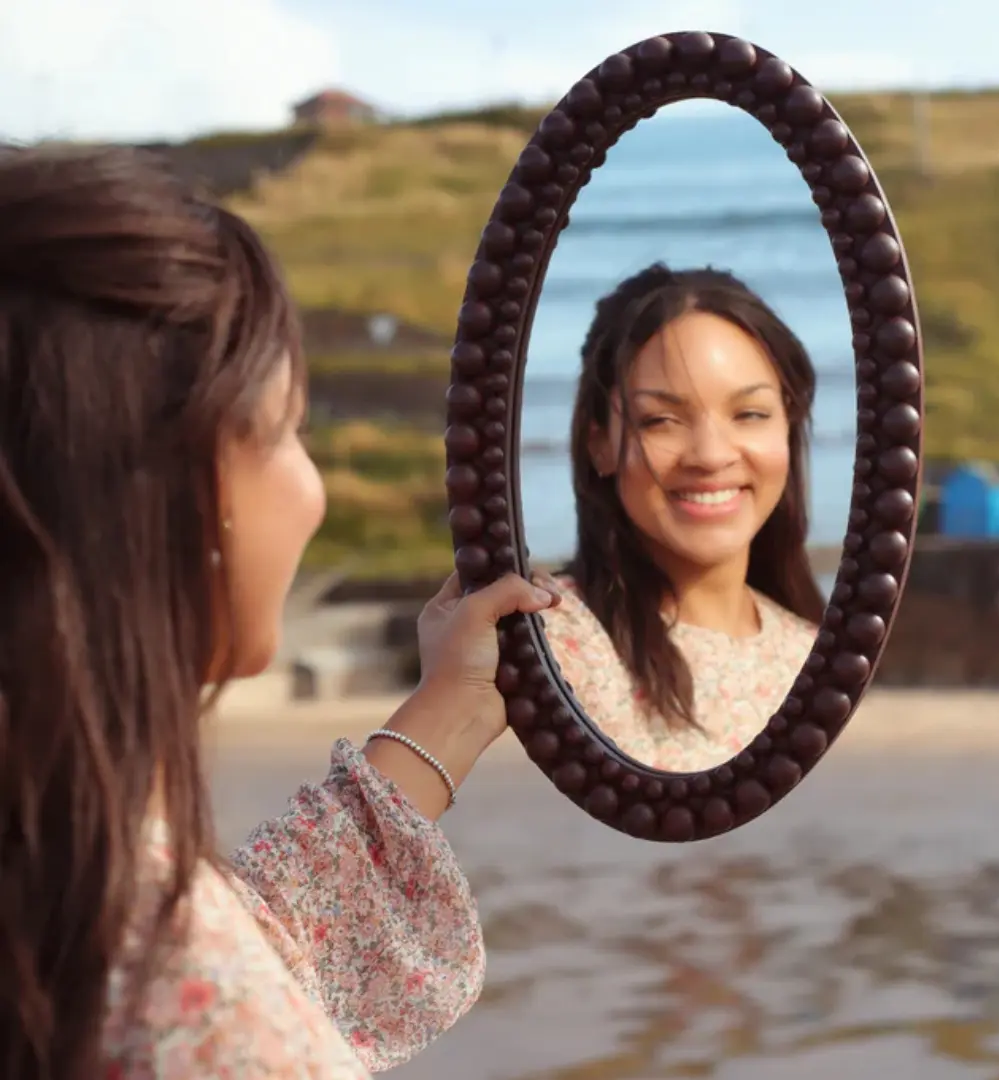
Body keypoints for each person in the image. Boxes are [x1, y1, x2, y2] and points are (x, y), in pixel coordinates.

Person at [0, 144, 562, 1079]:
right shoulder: (186, 1000)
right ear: (180, 483)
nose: (316, 493)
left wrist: (453, 709)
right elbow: (223, 981)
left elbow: (260, 936)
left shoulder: (70, 888)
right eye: (291, 431)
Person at [541, 263, 826, 773]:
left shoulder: (812, 653)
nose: (711, 455)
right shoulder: (558, 644)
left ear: (788, 426)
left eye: (750, 414)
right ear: (600, 443)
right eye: (661, 420)